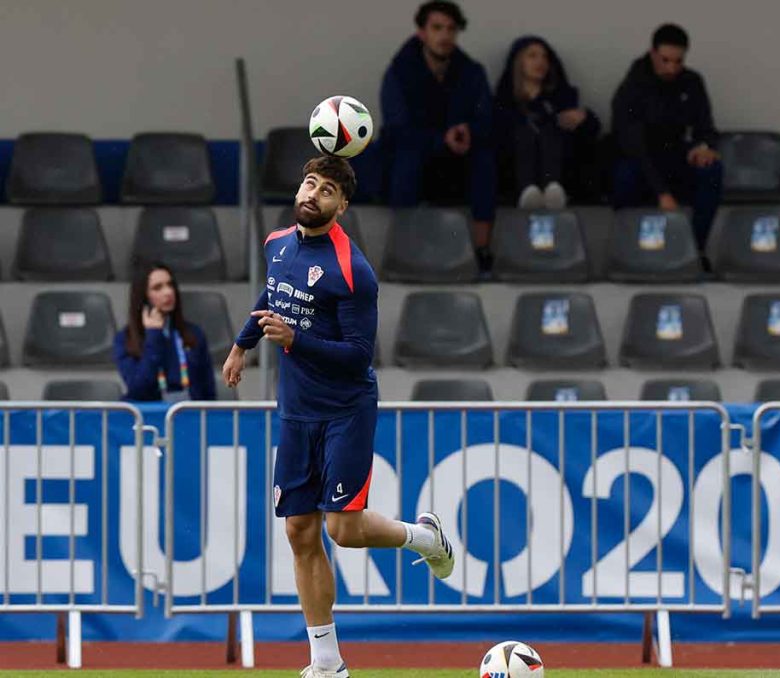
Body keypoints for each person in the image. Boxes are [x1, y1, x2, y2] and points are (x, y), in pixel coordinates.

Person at [223, 155, 455, 678]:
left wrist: (294, 339)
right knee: (300, 532)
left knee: (343, 531)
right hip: (296, 411)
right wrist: (243, 344)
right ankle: (327, 664)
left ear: (342, 206)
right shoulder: (277, 244)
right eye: (309, 183)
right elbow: (274, 291)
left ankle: (424, 537)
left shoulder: (353, 270)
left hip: (344, 411)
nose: (313, 194)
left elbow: (357, 354)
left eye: (327, 190)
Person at [380, 0, 496, 266]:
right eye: (437, 28)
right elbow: (397, 128)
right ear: (422, 33)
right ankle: (404, 248)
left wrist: (468, 131)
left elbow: (486, 119)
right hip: (416, 154)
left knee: (484, 159)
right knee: (407, 158)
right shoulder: (399, 72)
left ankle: (482, 250)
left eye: (451, 29)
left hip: (457, 158)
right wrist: (440, 139)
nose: (445, 35)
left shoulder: (471, 72)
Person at [611, 23, 722, 255]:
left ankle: (695, 249)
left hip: (675, 154)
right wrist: (662, 193)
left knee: (711, 170)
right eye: (665, 60)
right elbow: (634, 144)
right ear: (653, 54)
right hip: (640, 160)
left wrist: (704, 147)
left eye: (678, 61)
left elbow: (706, 126)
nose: (672, 68)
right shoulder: (633, 87)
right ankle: (630, 249)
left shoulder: (692, 82)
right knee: (624, 175)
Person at [493, 35, 601, 209]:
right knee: (524, 132)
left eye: (545, 57)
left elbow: (590, 131)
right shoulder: (504, 101)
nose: (540, 62)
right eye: (532, 56)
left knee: (550, 130)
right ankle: (527, 191)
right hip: (513, 168)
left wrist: (584, 118)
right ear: (518, 62)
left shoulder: (561, 97)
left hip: (561, 166)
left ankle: (553, 189)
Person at [113, 262, 216, 402]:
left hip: (189, 410)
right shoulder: (125, 339)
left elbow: (208, 391)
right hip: (148, 413)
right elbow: (138, 388)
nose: (168, 292)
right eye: (157, 288)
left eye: (170, 285)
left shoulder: (194, 334)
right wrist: (154, 335)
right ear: (143, 296)